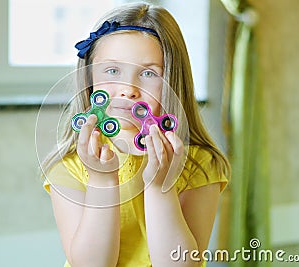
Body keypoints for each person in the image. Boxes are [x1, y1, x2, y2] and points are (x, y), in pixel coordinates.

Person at [41, 2, 230, 267]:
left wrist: (159, 186)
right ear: (89, 78)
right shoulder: (70, 165)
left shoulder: (199, 163)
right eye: (112, 70)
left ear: (173, 83)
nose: (128, 89)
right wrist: (102, 180)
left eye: (149, 73)